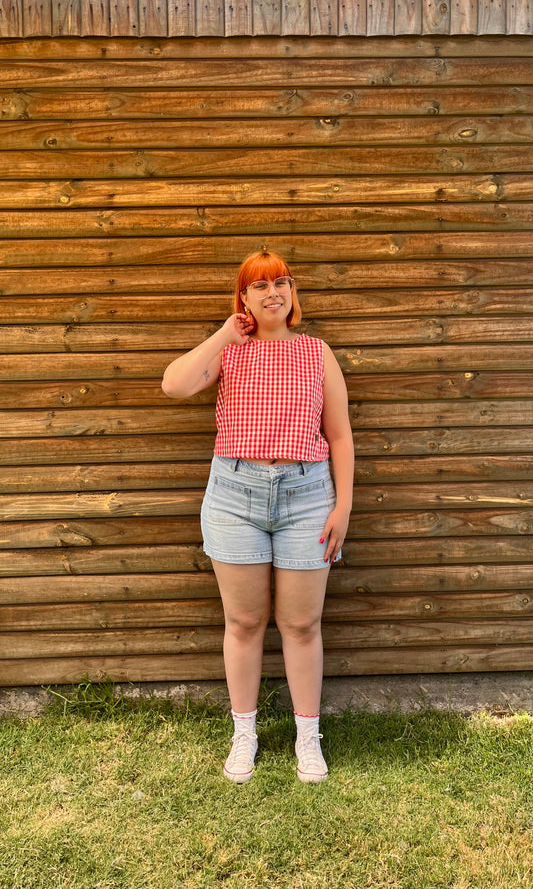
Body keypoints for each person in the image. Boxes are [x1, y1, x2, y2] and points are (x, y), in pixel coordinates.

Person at [162, 249, 354, 784]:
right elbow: (173, 385)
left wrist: (343, 504)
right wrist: (225, 334)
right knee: (244, 622)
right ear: (243, 297)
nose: (273, 292)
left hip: (306, 496)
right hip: (235, 495)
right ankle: (244, 734)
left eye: (282, 282)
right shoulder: (231, 351)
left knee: (300, 623)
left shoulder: (317, 352)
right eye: (259, 285)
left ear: (292, 293)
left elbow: (338, 434)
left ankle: (307, 738)